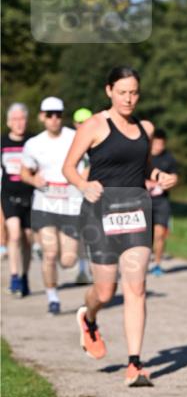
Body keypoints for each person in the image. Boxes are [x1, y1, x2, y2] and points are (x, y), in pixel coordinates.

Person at [63, 67, 176, 388]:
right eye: (123, 92)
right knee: (104, 291)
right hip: (100, 214)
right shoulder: (94, 125)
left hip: (137, 213)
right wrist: (84, 185)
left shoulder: (146, 128)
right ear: (109, 91)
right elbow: (69, 167)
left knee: (136, 288)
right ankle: (89, 316)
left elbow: (145, 168)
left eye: (134, 92)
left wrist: (160, 177)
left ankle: (134, 364)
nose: (129, 98)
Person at [20, 98, 82, 315]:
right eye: (49, 114)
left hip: (71, 203)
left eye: (58, 114)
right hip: (45, 202)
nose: (54, 118)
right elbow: (24, 172)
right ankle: (52, 298)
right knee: (50, 253)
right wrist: (33, 180)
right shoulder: (33, 144)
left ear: (62, 116)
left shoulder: (75, 137)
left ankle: (65, 266)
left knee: (68, 259)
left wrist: (83, 180)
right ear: (41, 116)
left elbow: (90, 165)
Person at [2, 102, 34, 296]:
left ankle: (24, 276)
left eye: (22, 118)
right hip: (9, 195)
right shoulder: (2, 142)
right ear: (8, 122)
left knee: (28, 239)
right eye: (15, 119)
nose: (19, 123)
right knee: (14, 234)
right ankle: (14, 275)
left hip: (31, 196)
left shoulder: (33, 142)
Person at [147, 128, 179, 276]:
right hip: (142, 200)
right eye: (156, 143)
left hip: (161, 201)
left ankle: (157, 264)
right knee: (145, 236)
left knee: (160, 234)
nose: (158, 147)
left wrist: (171, 181)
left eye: (161, 144)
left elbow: (175, 177)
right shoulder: (143, 157)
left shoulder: (169, 159)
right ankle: (142, 260)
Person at [72, 107, 94, 285]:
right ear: (75, 124)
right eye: (80, 122)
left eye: (87, 121)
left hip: (92, 194)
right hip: (73, 194)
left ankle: (95, 267)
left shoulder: (96, 140)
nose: (83, 125)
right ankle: (82, 269)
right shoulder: (69, 142)